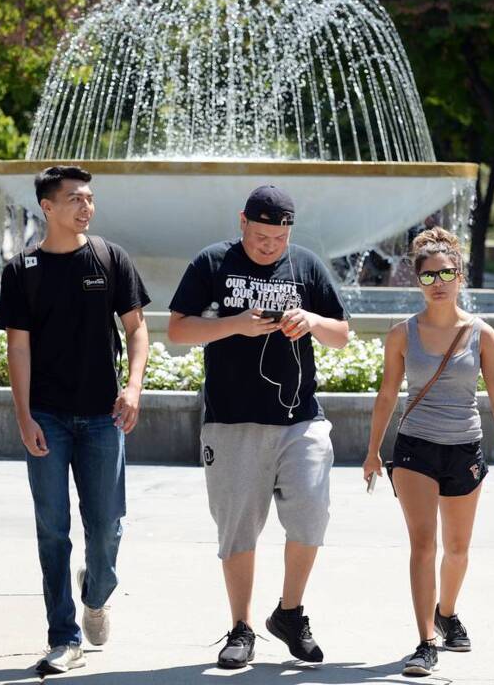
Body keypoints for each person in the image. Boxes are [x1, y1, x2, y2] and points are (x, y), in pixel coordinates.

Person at [167, 185, 349, 669]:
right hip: (232, 421)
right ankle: (241, 627)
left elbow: (342, 336)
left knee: (312, 517)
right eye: (262, 235)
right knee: (238, 530)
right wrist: (235, 324)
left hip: (300, 420)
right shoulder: (212, 263)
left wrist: (310, 320)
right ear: (242, 221)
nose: (270, 245)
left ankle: (289, 613)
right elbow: (178, 329)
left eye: (280, 237)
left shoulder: (306, 265)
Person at [0, 165, 150, 675]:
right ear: (47, 206)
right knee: (52, 530)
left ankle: (97, 593)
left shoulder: (110, 258)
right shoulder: (22, 270)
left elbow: (137, 329)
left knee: (106, 527)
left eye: (89, 198)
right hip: (46, 416)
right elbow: (17, 348)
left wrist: (132, 387)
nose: (86, 207)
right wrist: (23, 417)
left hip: (104, 416)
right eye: (74, 199)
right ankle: (63, 636)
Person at [362, 227, 494, 677]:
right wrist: (374, 451)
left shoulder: (481, 334)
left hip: (464, 447)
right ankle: (424, 642)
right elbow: (386, 396)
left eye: (447, 273)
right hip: (414, 447)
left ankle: (446, 613)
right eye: (429, 275)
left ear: (460, 276)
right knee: (423, 544)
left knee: (457, 549)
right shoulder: (401, 334)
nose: (438, 282)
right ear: (418, 280)